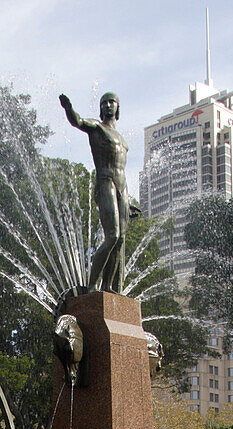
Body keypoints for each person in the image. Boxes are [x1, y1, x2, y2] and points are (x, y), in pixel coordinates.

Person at [59, 91, 140, 293]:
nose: (107, 105)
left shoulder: (121, 138)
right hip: (106, 182)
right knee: (112, 235)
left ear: (118, 107)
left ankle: (109, 287)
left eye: (111, 102)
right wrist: (69, 109)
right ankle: (92, 286)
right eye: (104, 103)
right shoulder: (97, 127)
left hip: (123, 186)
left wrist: (128, 201)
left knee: (121, 240)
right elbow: (77, 121)